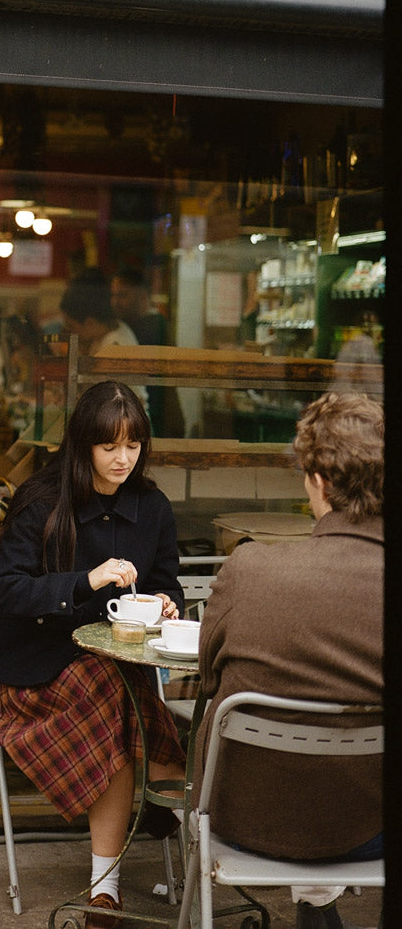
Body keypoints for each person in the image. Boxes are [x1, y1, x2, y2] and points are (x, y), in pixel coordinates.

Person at [0, 380, 186, 925]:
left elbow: (170, 582)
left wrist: (167, 602)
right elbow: (3, 590)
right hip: (36, 673)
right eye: (109, 447)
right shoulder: (44, 502)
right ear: (83, 445)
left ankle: (113, 886)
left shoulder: (152, 506)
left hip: (115, 670)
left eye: (134, 446)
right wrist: (85, 581)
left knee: (120, 693)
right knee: (120, 699)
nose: (123, 459)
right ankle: (114, 881)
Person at [193, 392, 383, 929]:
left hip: (246, 817)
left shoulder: (248, 569)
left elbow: (206, 681)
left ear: (318, 483)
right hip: (374, 825)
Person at [62, 268, 148, 414]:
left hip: (128, 431)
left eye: (71, 326)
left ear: (89, 323)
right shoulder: (109, 333)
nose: (69, 332)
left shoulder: (115, 346)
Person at [111, 268, 168, 433]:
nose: (115, 302)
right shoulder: (138, 324)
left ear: (142, 296)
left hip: (152, 418)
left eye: (122, 295)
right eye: (113, 295)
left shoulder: (151, 327)